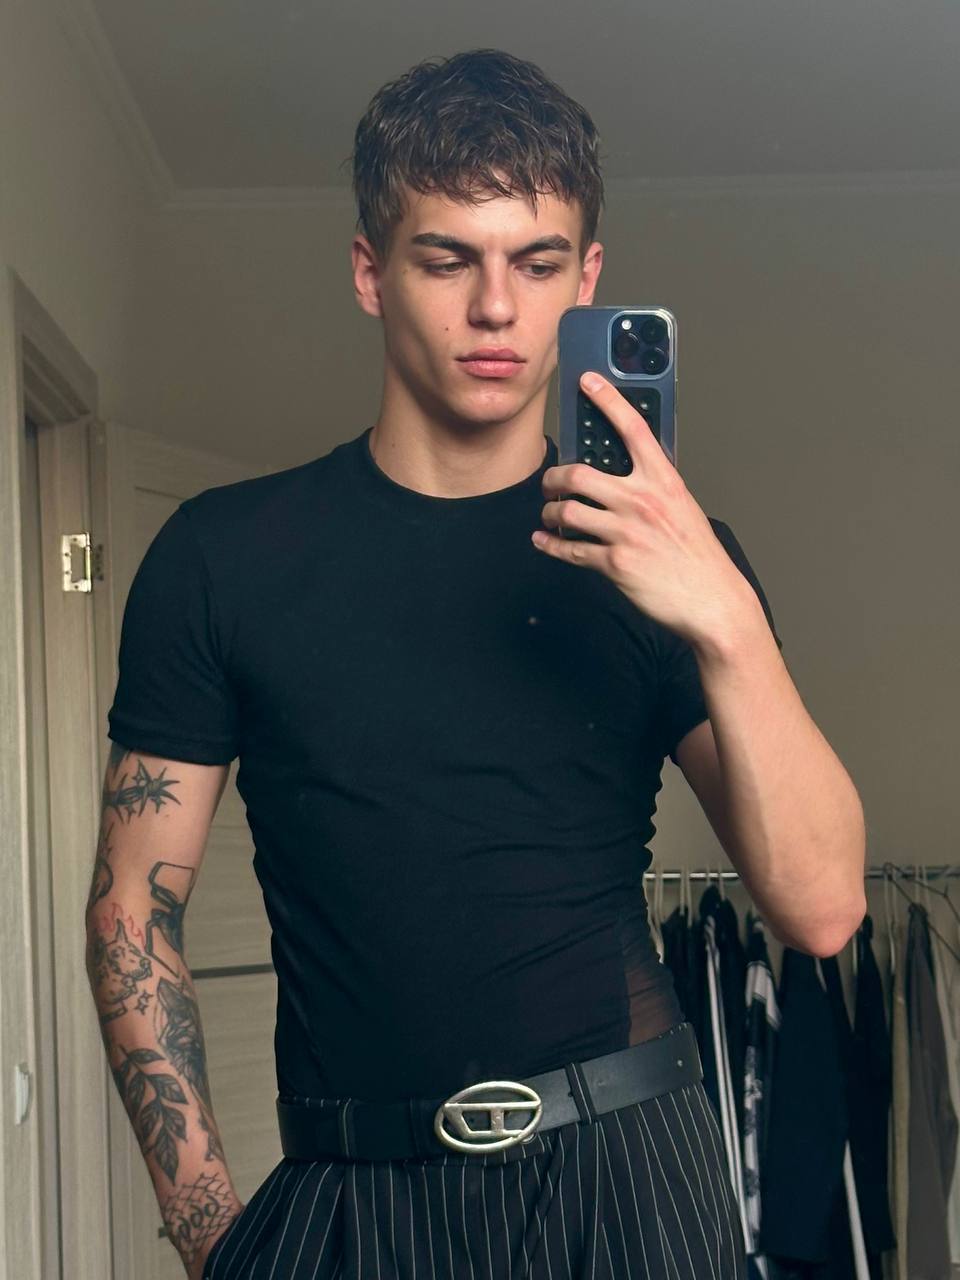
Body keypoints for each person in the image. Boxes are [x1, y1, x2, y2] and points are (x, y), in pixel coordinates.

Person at [85, 47, 867, 1280]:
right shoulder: (222, 555)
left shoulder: (670, 555)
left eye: (537, 263)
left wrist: (723, 614)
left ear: (587, 279)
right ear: (371, 271)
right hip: (351, 1191)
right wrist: (212, 1238)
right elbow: (132, 904)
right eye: (448, 259)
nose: (497, 308)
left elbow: (822, 906)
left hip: (625, 1176)